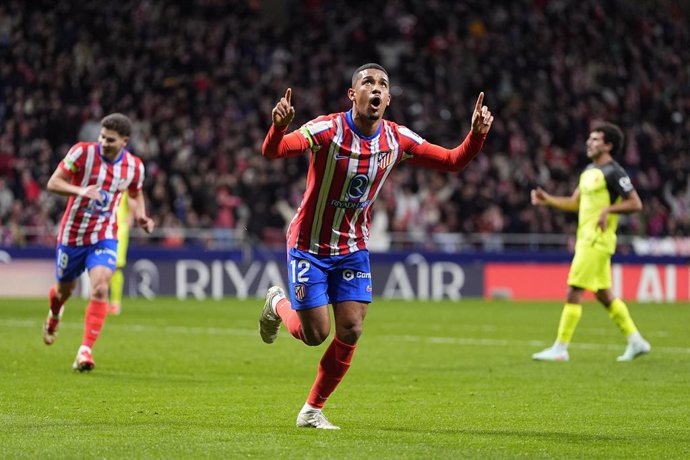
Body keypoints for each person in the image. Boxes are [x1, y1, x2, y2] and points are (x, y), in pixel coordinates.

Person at [258, 63, 494, 429]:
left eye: (383, 84)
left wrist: (476, 135)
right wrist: (278, 127)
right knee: (314, 335)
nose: (377, 89)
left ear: (387, 99)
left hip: (352, 246)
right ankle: (277, 302)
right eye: (368, 82)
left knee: (350, 329)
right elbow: (274, 151)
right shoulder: (328, 129)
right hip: (309, 245)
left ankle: (312, 410)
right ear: (353, 94)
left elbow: (452, 161)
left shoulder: (396, 139)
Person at [43, 113, 155, 372]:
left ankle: (85, 350)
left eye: (111, 140)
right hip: (72, 235)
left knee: (101, 287)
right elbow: (53, 182)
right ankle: (54, 313)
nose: (103, 142)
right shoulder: (82, 153)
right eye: (102, 137)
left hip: (104, 235)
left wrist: (140, 216)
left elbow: (136, 194)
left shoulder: (134, 167)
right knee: (64, 291)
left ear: (124, 141)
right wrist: (80, 190)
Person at [530, 122, 651, 363]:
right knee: (603, 294)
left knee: (574, 289)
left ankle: (560, 348)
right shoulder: (588, 171)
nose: (589, 142)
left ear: (608, 145)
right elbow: (574, 203)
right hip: (585, 238)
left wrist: (609, 209)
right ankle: (636, 341)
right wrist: (548, 200)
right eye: (590, 139)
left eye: (595, 139)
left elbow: (636, 203)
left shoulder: (614, 172)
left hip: (598, 240)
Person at [107, 192, 134, 316]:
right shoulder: (104, 182)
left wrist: (131, 215)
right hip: (103, 229)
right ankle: (103, 302)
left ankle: (115, 303)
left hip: (119, 231)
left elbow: (134, 197)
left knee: (116, 267)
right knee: (103, 266)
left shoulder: (125, 184)